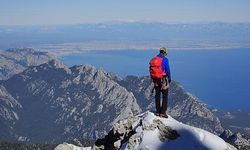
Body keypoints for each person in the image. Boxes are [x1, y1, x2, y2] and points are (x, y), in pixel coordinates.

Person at [149, 47, 171, 118]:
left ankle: (158, 111)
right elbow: (168, 70)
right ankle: (163, 113)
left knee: (157, 96)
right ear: (164, 52)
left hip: (155, 80)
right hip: (163, 79)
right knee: (165, 96)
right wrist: (169, 78)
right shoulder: (165, 59)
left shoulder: (154, 59)